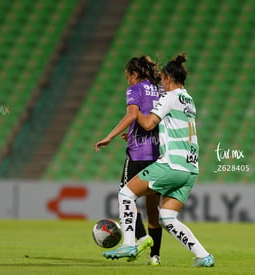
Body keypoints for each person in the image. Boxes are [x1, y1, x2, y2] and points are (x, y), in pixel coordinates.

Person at [103, 54, 214, 267]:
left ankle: (129, 243)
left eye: (163, 79)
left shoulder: (169, 96)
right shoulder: (189, 99)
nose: (161, 83)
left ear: (169, 79)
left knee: (125, 194)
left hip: (171, 165)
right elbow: (167, 126)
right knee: (168, 217)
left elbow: (147, 123)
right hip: (190, 169)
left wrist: (135, 116)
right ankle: (203, 256)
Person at [94, 56, 163, 265]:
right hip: (157, 154)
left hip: (137, 154)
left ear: (134, 74)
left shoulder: (135, 89)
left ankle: (139, 240)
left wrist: (110, 135)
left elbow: (133, 114)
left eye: (128, 77)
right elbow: (155, 120)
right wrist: (134, 132)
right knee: (152, 208)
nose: (128, 81)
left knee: (126, 197)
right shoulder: (160, 90)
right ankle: (155, 257)